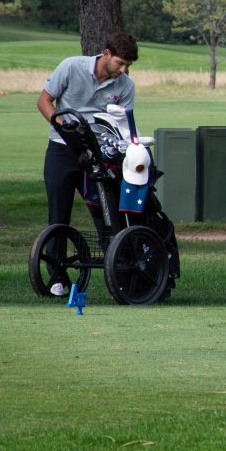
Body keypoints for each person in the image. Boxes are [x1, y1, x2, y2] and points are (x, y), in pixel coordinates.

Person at [36, 33, 139, 296]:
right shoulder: (72, 66)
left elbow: (122, 127)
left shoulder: (125, 87)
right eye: (119, 63)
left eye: (128, 65)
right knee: (59, 215)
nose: (123, 70)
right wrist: (62, 125)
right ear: (106, 53)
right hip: (62, 149)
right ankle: (58, 278)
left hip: (98, 154)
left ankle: (119, 272)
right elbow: (44, 101)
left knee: (104, 212)